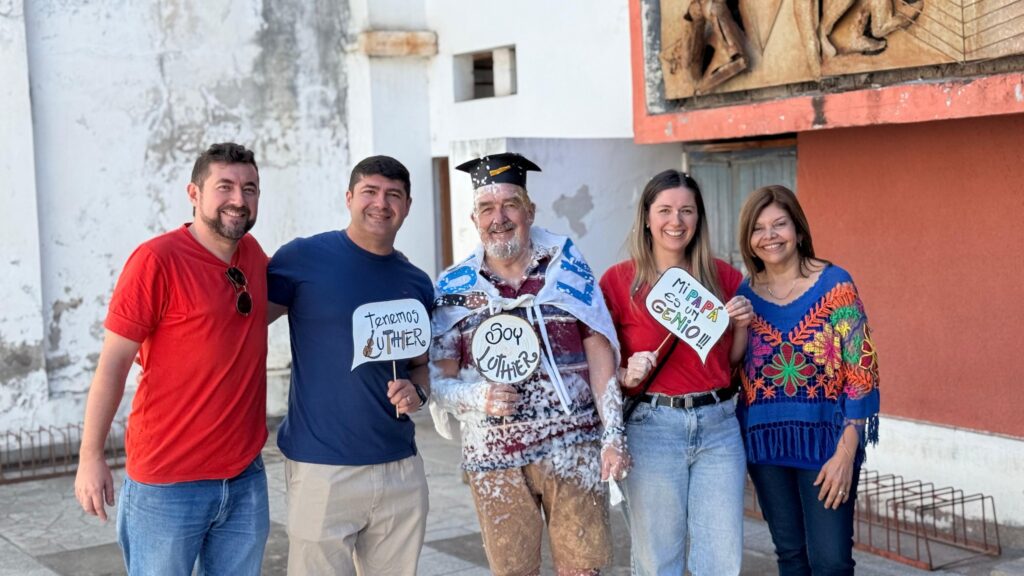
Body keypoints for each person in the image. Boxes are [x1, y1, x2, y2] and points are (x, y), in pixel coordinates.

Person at [74, 142, 270, 575]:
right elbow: (112, 366)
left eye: (250, 188)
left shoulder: (253, 256)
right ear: (194, 193)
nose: (239, 199)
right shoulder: (155, 261)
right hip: (167, 483)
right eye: (225, 187)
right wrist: (90, 456)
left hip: (244, 477)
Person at [429, 152, 629, 576]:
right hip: (493, 458)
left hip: (574, 448)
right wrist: (476, 396)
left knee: (584, 570)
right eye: (487, 208)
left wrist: (613, 431)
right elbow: (438, 381)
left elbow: (599, 348)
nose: (498, 217)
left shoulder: (567, 266)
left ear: (530, 211)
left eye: (510, 204)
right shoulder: (455, 286)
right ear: (474, 218)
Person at [266, 155, 433, 576]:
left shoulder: (416, 282)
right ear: (349, 198)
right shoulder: (302, 258)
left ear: (408, 205)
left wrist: (418, 391)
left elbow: (421, 366)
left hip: (399, 468)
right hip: (323, 468)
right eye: (370, 192)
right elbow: (240, 324)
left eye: (393, 195)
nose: (381, 203)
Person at [598, 169, 753, 575]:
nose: (676, 221)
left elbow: (733, 362)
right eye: (665, 210)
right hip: (652, 427)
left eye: (687, 210)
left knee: (721, 560)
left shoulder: (724, 276)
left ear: (698, 218)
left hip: (719, 426)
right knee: (658, 562)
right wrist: (626, 374)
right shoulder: (618, 282)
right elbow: (599, 367)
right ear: (646, 217)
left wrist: (741, 325)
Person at [735, 185, 880, 576]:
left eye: (779, 224)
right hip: (764, 444)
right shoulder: (744, 293)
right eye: (759, 228)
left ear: (798, 230)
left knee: (831, 561)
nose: (770, 236)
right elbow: (734, 366)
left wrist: (847, 453)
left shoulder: (836, 285)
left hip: (827, 444)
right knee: (791, 557)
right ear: (749, 240)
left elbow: (860, 372)